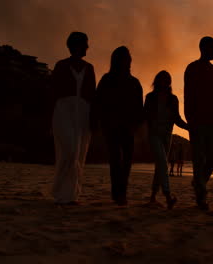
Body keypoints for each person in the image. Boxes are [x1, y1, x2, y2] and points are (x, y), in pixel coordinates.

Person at [49, 32, 96, 205]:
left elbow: (92, 95)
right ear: (76, 45)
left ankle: (70, 194)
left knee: (78, 153)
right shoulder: (61, 65)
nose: (87, 47)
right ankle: (58, 189)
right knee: (68, 151)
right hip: (63, 111)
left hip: (83, 112)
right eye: (85, 44)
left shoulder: (89, 68)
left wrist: (93, 119)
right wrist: (48, 118)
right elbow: (52, 91)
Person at [94, 46, 143, 206]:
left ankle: (121, 193)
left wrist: (137, 126)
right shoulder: (107, 79)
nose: (128, 61)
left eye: (129, 58)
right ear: (118, 60)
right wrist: (100, 122)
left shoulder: (135, 82)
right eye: (125, 58)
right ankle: (118, 194)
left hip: (128, 127)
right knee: (116, 160)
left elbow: (139, 108)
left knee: (126, 161)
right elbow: (99, 102)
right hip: (111, 126)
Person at [184, 36, 213, 210]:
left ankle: (199, 183)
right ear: (203, 48)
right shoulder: (192, 68)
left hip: (212, 121)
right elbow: (188, 95)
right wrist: (189, 118)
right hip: (197, 121)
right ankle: (201, 196)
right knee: (199, 159)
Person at [144, 70, 188, 209]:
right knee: (163, 162)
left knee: (160, 166)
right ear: (157, 81)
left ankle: (152, 197)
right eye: (162, 79)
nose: (165, 82)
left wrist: (189, 127)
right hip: (154, 135)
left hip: (167, 136)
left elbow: (177, 119)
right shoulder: (150, 97)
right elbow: (145, 116)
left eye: (167, 79)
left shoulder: (173, 99)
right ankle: (168, 196)